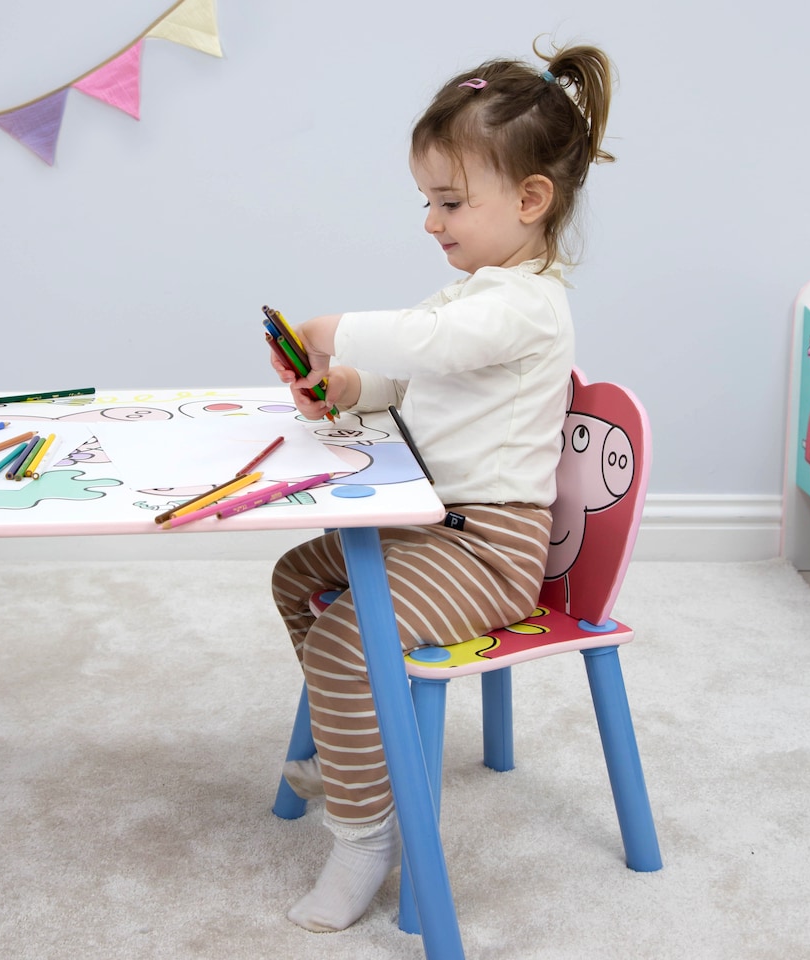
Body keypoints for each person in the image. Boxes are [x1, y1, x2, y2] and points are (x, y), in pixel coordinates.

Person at [269, 40, 615, 933]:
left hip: (488, 548)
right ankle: (364, 743)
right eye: (427, 200)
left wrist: (335, 328)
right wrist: (346, 385)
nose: (431, 221)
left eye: (450, 201)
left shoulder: (524, 304)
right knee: (296, 575)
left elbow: (433, 346)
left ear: (530, 200)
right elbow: (411, 374)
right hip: (431, 525)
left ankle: (365, 833)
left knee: (347, 639)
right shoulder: (469, 295)